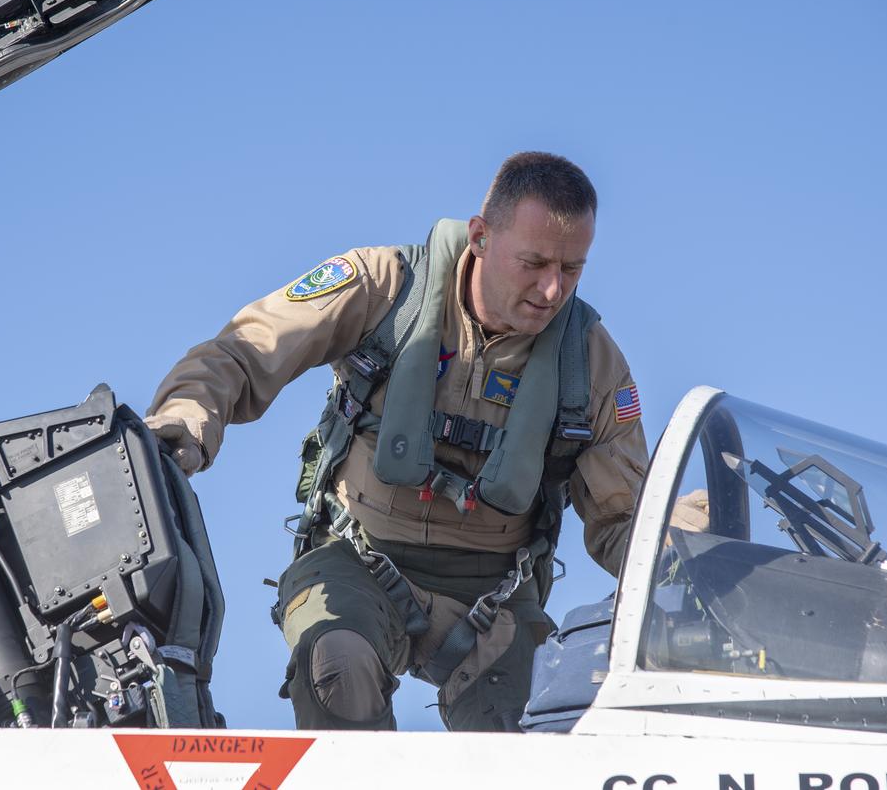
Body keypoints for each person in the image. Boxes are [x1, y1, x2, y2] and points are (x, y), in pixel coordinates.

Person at [145, 151, 648, 732]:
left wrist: (695, 550)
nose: (552, 288)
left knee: (531, 738)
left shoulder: (591, 363)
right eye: (533, 263)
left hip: (496, 592)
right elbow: (244, 351)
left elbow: (624, 520)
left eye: (572, 269)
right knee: (334, 666)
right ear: (480, 237)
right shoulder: (383, 288)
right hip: (359, 556)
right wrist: (182, 423)